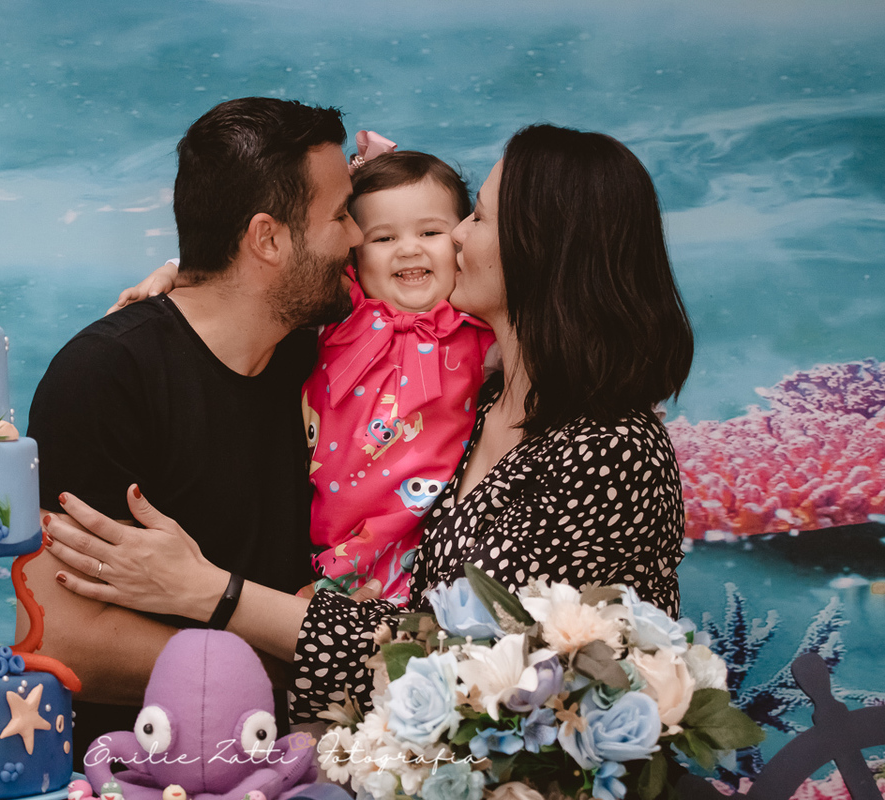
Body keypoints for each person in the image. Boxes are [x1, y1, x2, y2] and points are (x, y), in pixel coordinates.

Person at [43, 123, 693, 722]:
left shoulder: (610, 448)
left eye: (476, 217)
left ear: (542, 249)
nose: (454, 236)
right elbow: (276, 268)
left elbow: (497, 676)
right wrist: (184, 281)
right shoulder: (482, 401)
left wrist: (212, 593)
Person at [21, 97, 363, 751]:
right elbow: (61, 635)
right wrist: (302, 666)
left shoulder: (322, 352)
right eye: (341, 216)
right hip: (143, 772)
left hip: (296, 768)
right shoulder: (106, 374)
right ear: (267, 239)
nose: (356, 238)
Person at [302, 141, 498, 607]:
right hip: (320, 547)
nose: (409, 249)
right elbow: (267, 274)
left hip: (422, 556)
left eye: (430, 231)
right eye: (384, 238)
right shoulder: (338, 311)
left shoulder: (479, 332)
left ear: (462, 241)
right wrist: (176, 271)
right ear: (353, 253)